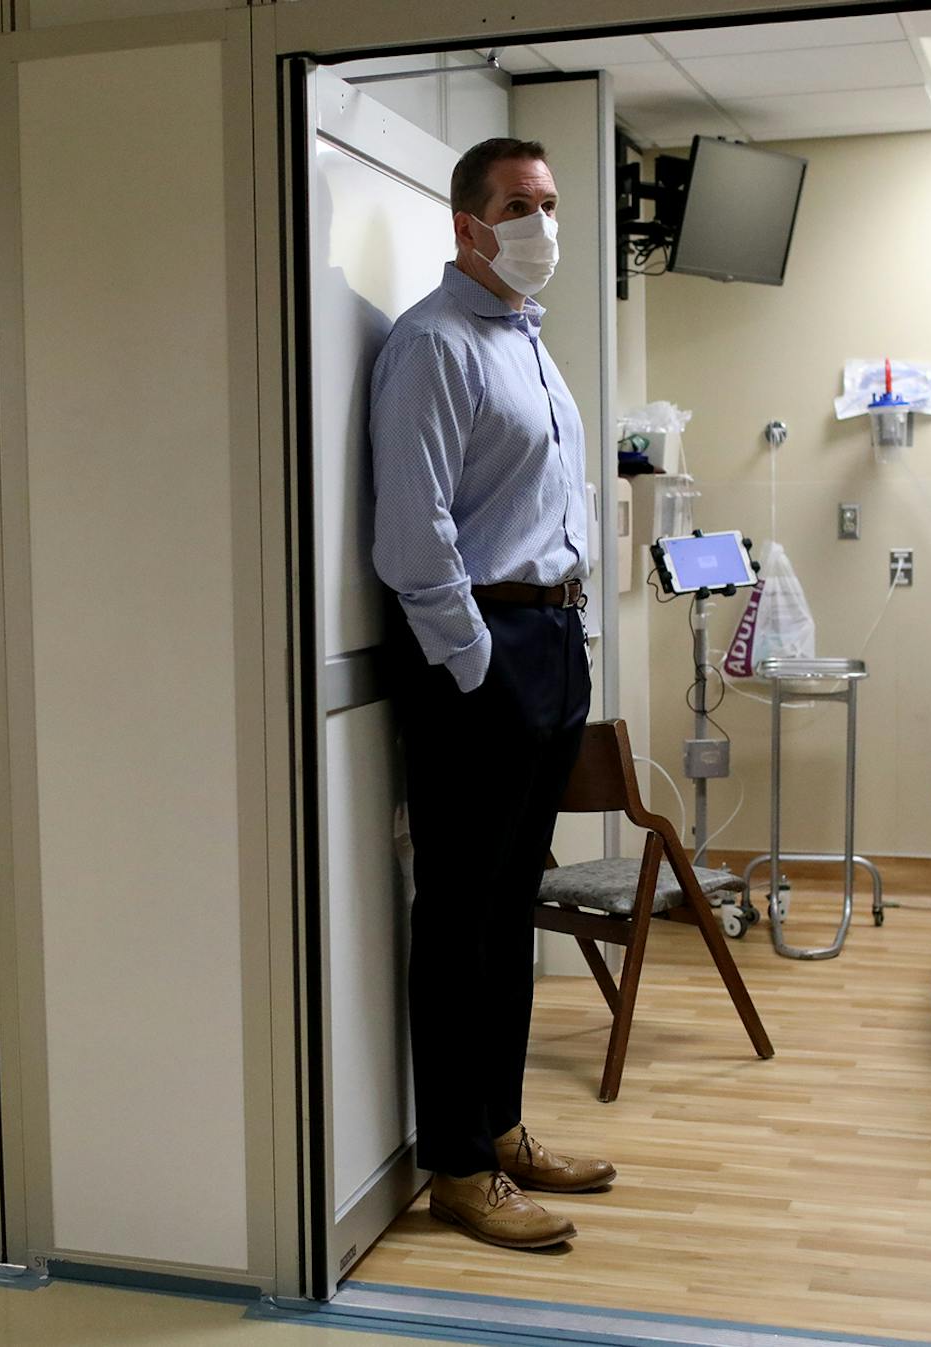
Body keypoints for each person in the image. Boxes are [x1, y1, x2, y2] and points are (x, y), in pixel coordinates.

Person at [369, 137, 614, 1250]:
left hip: (550, 645)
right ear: (468, 223)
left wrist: (569, 645)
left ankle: (504, 1129)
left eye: (550, 203)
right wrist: (474, 667)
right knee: (460, 916)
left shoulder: (529, 345)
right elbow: (414, 535)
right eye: (521, 204)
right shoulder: (432, 346)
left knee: (511, 908)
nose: (542, 224)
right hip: (482, 654)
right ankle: (458, 1166)